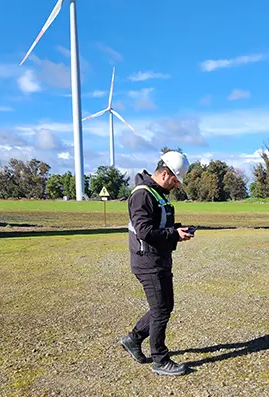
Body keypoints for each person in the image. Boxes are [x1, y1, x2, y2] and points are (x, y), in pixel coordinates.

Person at [118, 151, 194, 376]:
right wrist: (173, 234)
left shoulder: (157, 193)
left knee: (164, 307)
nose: (176, 186)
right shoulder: (142, 195)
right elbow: (144, 231)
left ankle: (132, 340)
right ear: (165, 174)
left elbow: (158, 224)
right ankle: (160, 359)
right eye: (175, 181)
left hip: (159, 258)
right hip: (147, 261)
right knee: (161, 310)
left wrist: (178, 230)